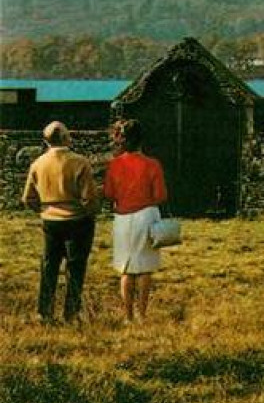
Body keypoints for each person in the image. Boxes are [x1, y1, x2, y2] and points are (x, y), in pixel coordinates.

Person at [22, 121, 100, 323]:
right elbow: (89, 198)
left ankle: (44, 312)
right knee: (75, 267)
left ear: (45, 140)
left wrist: (43, 209)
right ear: (66, 138)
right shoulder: (80, 162)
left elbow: (28, 198)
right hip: (77, 220)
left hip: (50, 220)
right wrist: (89, 213)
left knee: (49, 266)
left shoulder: (38, 164)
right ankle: (71, 313)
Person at [103, 118, 168, 322]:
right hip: (146, 216)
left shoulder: (115, 164)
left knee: (126, 268)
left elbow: (109, 193)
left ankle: (128, 315)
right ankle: (142, 314)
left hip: (123, 218)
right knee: (145, 268)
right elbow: (160, 196)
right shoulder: (153, 164)